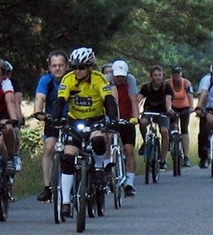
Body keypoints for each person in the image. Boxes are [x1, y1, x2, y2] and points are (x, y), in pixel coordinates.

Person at [51, 47, 118, 218]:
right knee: (68, 156)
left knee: (98, 142)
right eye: (74, 67)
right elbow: (60, 100)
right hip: (75, 120)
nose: (77, 71)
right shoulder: (68, 79)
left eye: (81, 68)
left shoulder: (99, 79)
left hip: (95, 119)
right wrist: (56, 118)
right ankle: (66, 201)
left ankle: (98, 168)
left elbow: (109, 100)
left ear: (89, 67)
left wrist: (113, 119)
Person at [33, 50, 68, 203]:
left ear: (67, 66)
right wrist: (38, 112)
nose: (57, 68)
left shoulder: (72, 79)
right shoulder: (46, 80)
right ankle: (48, 187)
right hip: (53, 119)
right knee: (49, 147)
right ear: (49, 67)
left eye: (61, 65)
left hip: (72, 118)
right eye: (54, 65)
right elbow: (40, 97)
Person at [111, 60, 140, 196]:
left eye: (122, 76)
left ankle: (129, 183)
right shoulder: (106, 80)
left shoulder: (130, 80)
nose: (120, 79)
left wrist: (135, 118)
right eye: (117, 76)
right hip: (111, 118)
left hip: (126, 118)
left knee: (129, 150)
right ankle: (107, 171)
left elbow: (134, 99)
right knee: (106, 141)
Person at [138, 65, 174, 171]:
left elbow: (168, 100)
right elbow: (138, 100)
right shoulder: (146, 87)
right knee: (143, 122)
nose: (158, 77)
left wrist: (169, 109)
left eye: (160, 75)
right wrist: (135, 109)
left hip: (162, 112)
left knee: (164, 131)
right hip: (149, 110)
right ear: (151, 77)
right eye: (155, 75)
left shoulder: (166, 87)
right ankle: (146, 141)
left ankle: (162, 160)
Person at [167, 65, 195, 167]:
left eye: (178, 73)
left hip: (184, 107)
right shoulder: (168, 83)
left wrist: (191, 107)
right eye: (174, 73)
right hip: (172, 107)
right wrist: (168, 108)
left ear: (181, 74)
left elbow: (190, 95)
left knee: (184, 130)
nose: (176, 75)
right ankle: (170, 143)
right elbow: (166, 97)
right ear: (172, 74)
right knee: (170, 127)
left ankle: (186, 156)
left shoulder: (186, 83)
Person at [3, 60, 24, 173]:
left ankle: (14, 156)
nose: (6, 76)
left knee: (14, 131)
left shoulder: (14, 83)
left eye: (8, 73)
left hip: (10, 112)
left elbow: (17, 102)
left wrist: (18, 119)